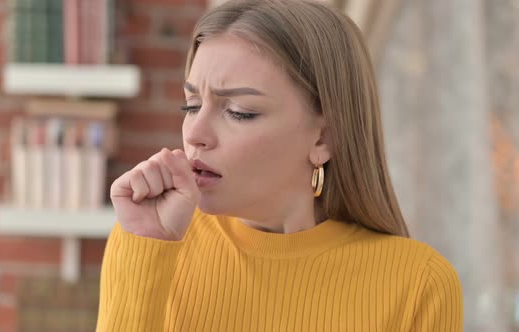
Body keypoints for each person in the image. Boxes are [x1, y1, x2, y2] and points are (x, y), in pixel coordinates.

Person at [95, 0, 463, 330]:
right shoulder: (150, 241)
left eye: (240, 112)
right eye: (191, 106)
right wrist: (147, 248)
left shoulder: (419, 284)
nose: (195, 133)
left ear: (325, 139)